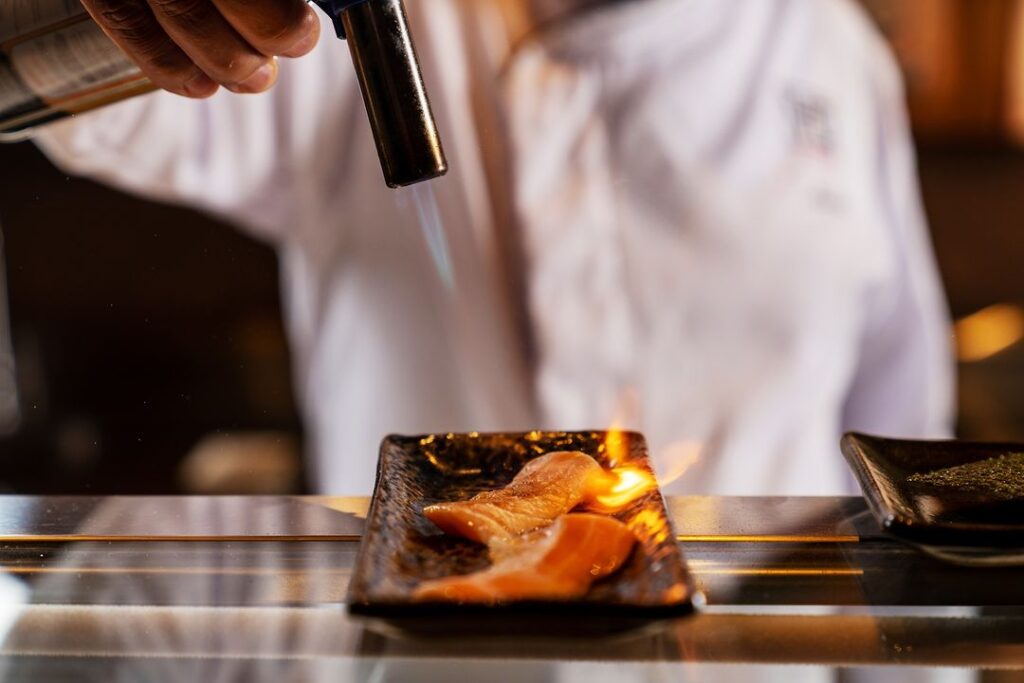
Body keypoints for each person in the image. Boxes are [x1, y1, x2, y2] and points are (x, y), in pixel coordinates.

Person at [35, 0, 954, 495]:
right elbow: (50, 78)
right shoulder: (369, 26)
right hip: (430, 654)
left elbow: (901, 413)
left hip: (756, 656)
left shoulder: (834, 52)